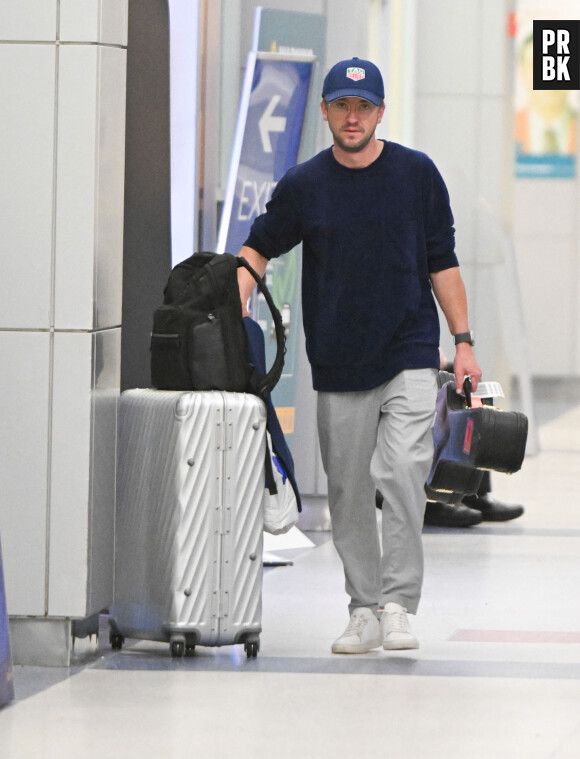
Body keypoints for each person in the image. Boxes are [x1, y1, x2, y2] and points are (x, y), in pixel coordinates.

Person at [237, 57, 481, 654]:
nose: (353, 117)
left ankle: (398, 604)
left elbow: (441, 261)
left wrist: (464, 341)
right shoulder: (305, 185)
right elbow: (257, 248)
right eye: (342, 106)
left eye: (363, 106)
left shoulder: (417, 175)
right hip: (341, 357)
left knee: (399, 473)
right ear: (324, 111)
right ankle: (363, 608)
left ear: (379, 112)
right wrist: (234, 308)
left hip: (410, 349)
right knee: (347, 490)